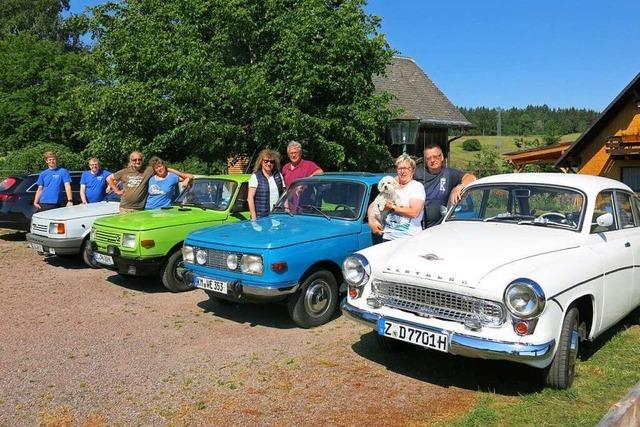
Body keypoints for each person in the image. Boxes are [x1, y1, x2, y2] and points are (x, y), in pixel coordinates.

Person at [414, 143, 476, 228]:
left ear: (442, 157)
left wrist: (459, 187)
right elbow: (398, 180)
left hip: (437, 227)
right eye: (429, 158)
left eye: (436, 156)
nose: (432, 160)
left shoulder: (449, 173)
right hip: (416, 227)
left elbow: (471, 177)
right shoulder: (417, 173)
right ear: (425, 160)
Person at [107, 151, 188, 214]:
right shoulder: (124, 172)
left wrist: (181, 174)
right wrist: (117, 190)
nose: (137, 161)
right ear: (131, 161)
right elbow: (109, 178)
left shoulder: (148, 170)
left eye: (140, 159)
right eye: (135, 160)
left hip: (141, 209)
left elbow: (161, 168)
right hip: (125, 208)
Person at [367, 154, 425, 241]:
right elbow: (374, 204)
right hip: (388, 238)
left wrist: (392, 207)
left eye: (406, 168)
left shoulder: (416, 186)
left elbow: (414, 212)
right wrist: (372, 222)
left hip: (408, 239)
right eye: (400, 168)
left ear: (413, 170)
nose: (403, 171)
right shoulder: (391, 185)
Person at [248, 149, 285, 220]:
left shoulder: (278, 175)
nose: (269, 164)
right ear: (261, 162)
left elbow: (284, 195)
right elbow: (250, 198)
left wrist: (287, 210)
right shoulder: (255, 177)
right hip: (261, 217)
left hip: (277, 215)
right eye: (266, 161)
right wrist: (254, 217)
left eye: (271, 162)